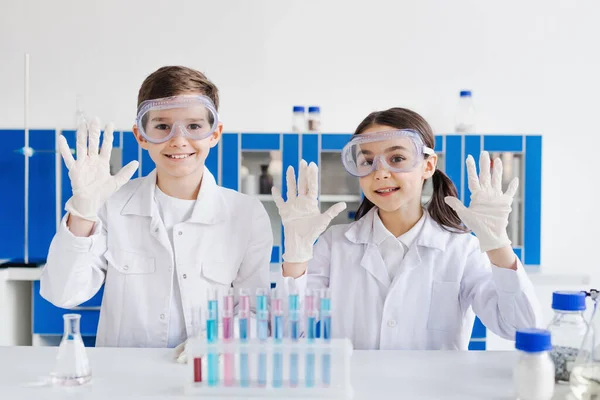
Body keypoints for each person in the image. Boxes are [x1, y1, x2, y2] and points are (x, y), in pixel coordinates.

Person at [41, 66, 272, 348]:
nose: (178, 139)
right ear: (141, 135)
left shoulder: (246, 214)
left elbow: (255, 311)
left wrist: (215, 342)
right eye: (162, 126)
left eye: (195, 126)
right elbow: (63, 293)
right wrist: (83, 212)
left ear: (215, 133)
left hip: (208, 378)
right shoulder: (110, 206)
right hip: (124, 385)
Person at [273, 107, 541, 350]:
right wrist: (295, 258)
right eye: (367, 161)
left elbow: (520, 328)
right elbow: (286, 332)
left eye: (397, 158)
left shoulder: (462, 250)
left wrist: (499, 246)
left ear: (428, 165)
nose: (380, 172)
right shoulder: (334, 246)